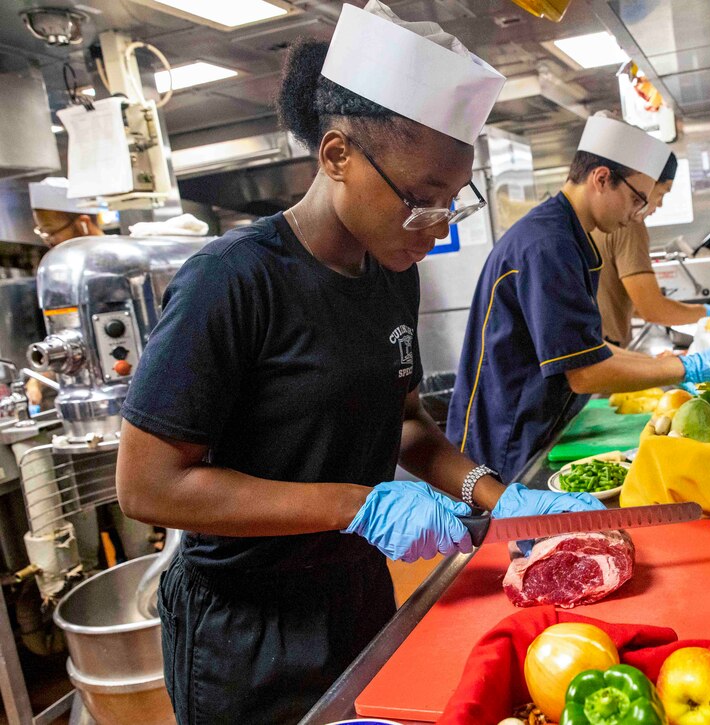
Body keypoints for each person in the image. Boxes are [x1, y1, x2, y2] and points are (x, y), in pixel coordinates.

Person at [114, 3, 602, 722]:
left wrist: (497, 500)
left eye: (449, 204)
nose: (434, 229)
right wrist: (358, 503)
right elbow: (148, 484)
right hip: (248, 629)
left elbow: (403, 422)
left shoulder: (390, 270)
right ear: (336, 154)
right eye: (418, 201)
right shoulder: (233, 281)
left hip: (357, 593)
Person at [447, 114, 710, 483]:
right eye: (637, 199)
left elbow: (586, 348)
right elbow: (586, 373)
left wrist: (669, 363)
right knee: (509, 535)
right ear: (602, 178)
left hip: (532, 424)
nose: (637, 214)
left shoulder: (571, 236)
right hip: (506, 440)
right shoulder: (548, 245)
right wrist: (686, 368)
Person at [596, 153, 710, 348]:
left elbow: (635, 305)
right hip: (605, 348)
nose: (660, 204)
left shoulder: (601, 221)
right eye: (662, 193)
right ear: (646, 183)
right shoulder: (629, 225)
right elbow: (651, 309)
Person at [25, 178, 105, 409]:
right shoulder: (64, 273)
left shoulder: (118, 265)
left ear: (82, 222)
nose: (47, 239)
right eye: (41, 231)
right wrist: (38, 381)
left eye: (50, 230)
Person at [28, 177, 104, 248]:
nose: (47, 242)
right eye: (42, 232)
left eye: (51, 232)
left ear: (83, 223)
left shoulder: (111, 257)